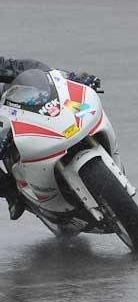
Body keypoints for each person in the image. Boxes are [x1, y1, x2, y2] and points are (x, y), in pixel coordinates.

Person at [0, 57, 100, 219]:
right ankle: (11, 194)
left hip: (11, 103)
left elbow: (22, 67)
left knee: (55, 96)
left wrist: (68, 78)